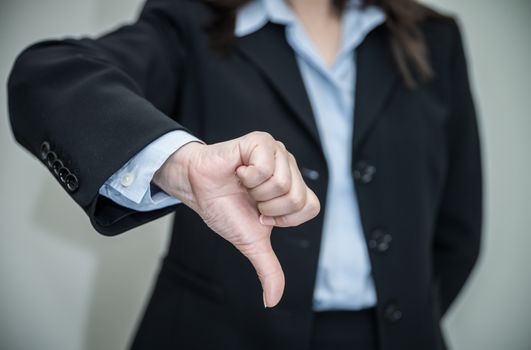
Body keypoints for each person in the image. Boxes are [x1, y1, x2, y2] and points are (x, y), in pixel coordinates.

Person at [7, 0, 483, 348]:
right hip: (218, 335)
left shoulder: (434, 38)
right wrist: (180, 164)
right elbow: (48, 75)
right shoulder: (190, 21)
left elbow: (458, 227)